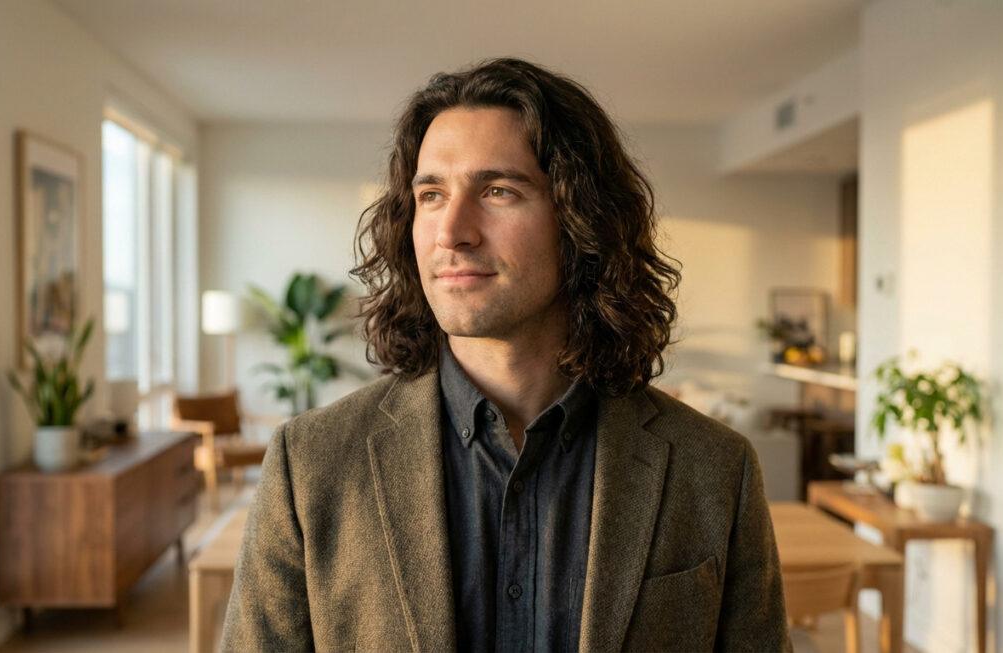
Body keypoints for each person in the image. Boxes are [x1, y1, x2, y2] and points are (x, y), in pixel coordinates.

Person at [221, 58, 789, 652]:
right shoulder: (310, 465)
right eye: (432, 194)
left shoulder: (714, 470)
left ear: (581, 220)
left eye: (498, 191)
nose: (452, 231)